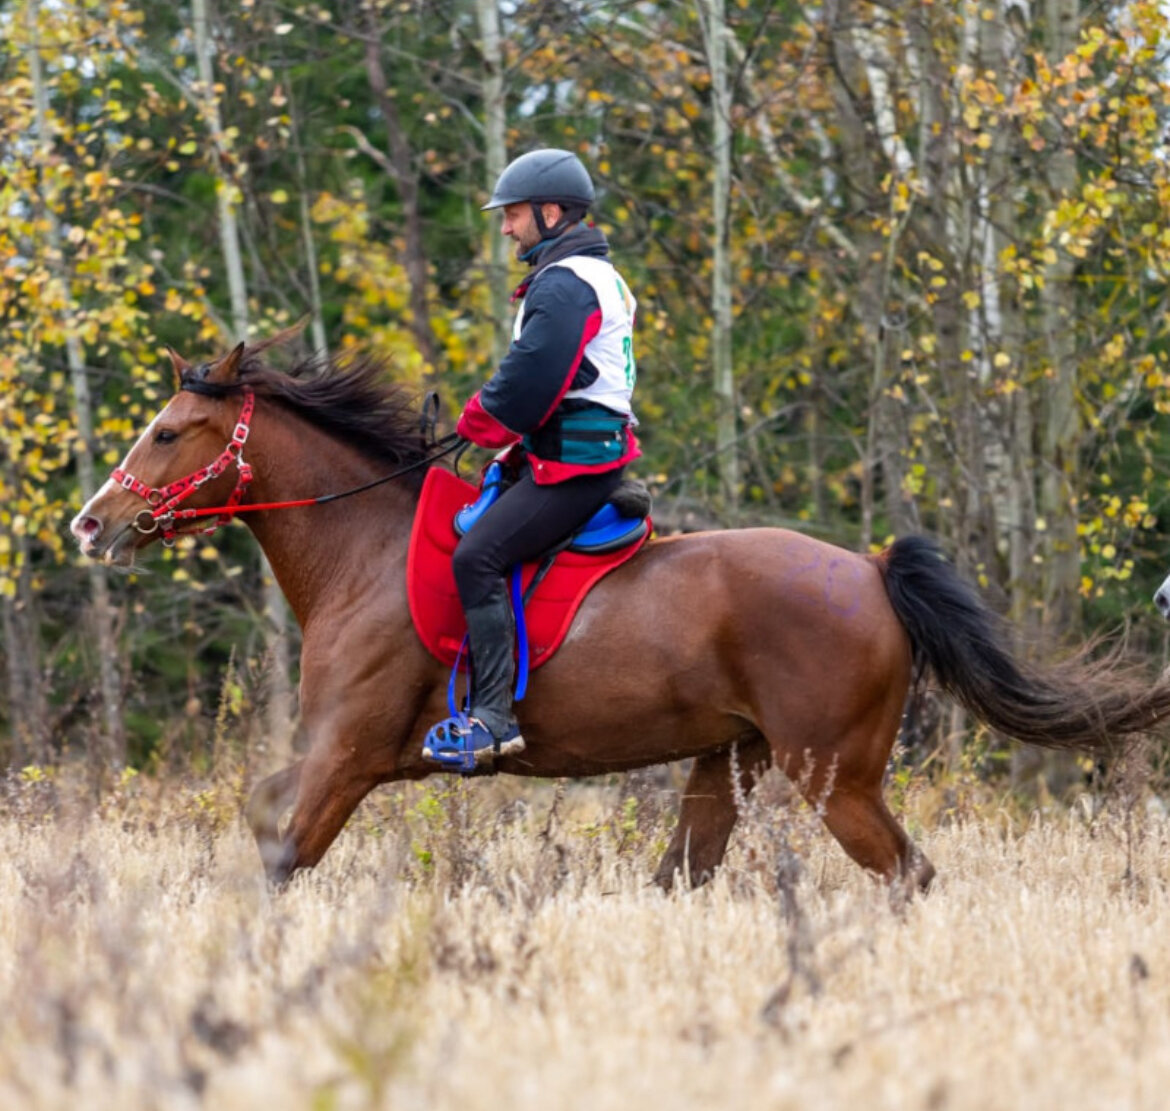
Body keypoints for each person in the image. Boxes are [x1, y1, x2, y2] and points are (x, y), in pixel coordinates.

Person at [423, 148, 640, 767]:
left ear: (551, 213)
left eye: (513, 214)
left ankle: (493, 719)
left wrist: (476, 422)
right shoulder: (590, 276)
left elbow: (532, 378)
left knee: (478, 557)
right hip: (575, 451)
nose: (506, 228)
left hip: (575, 464)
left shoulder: (567, 283)